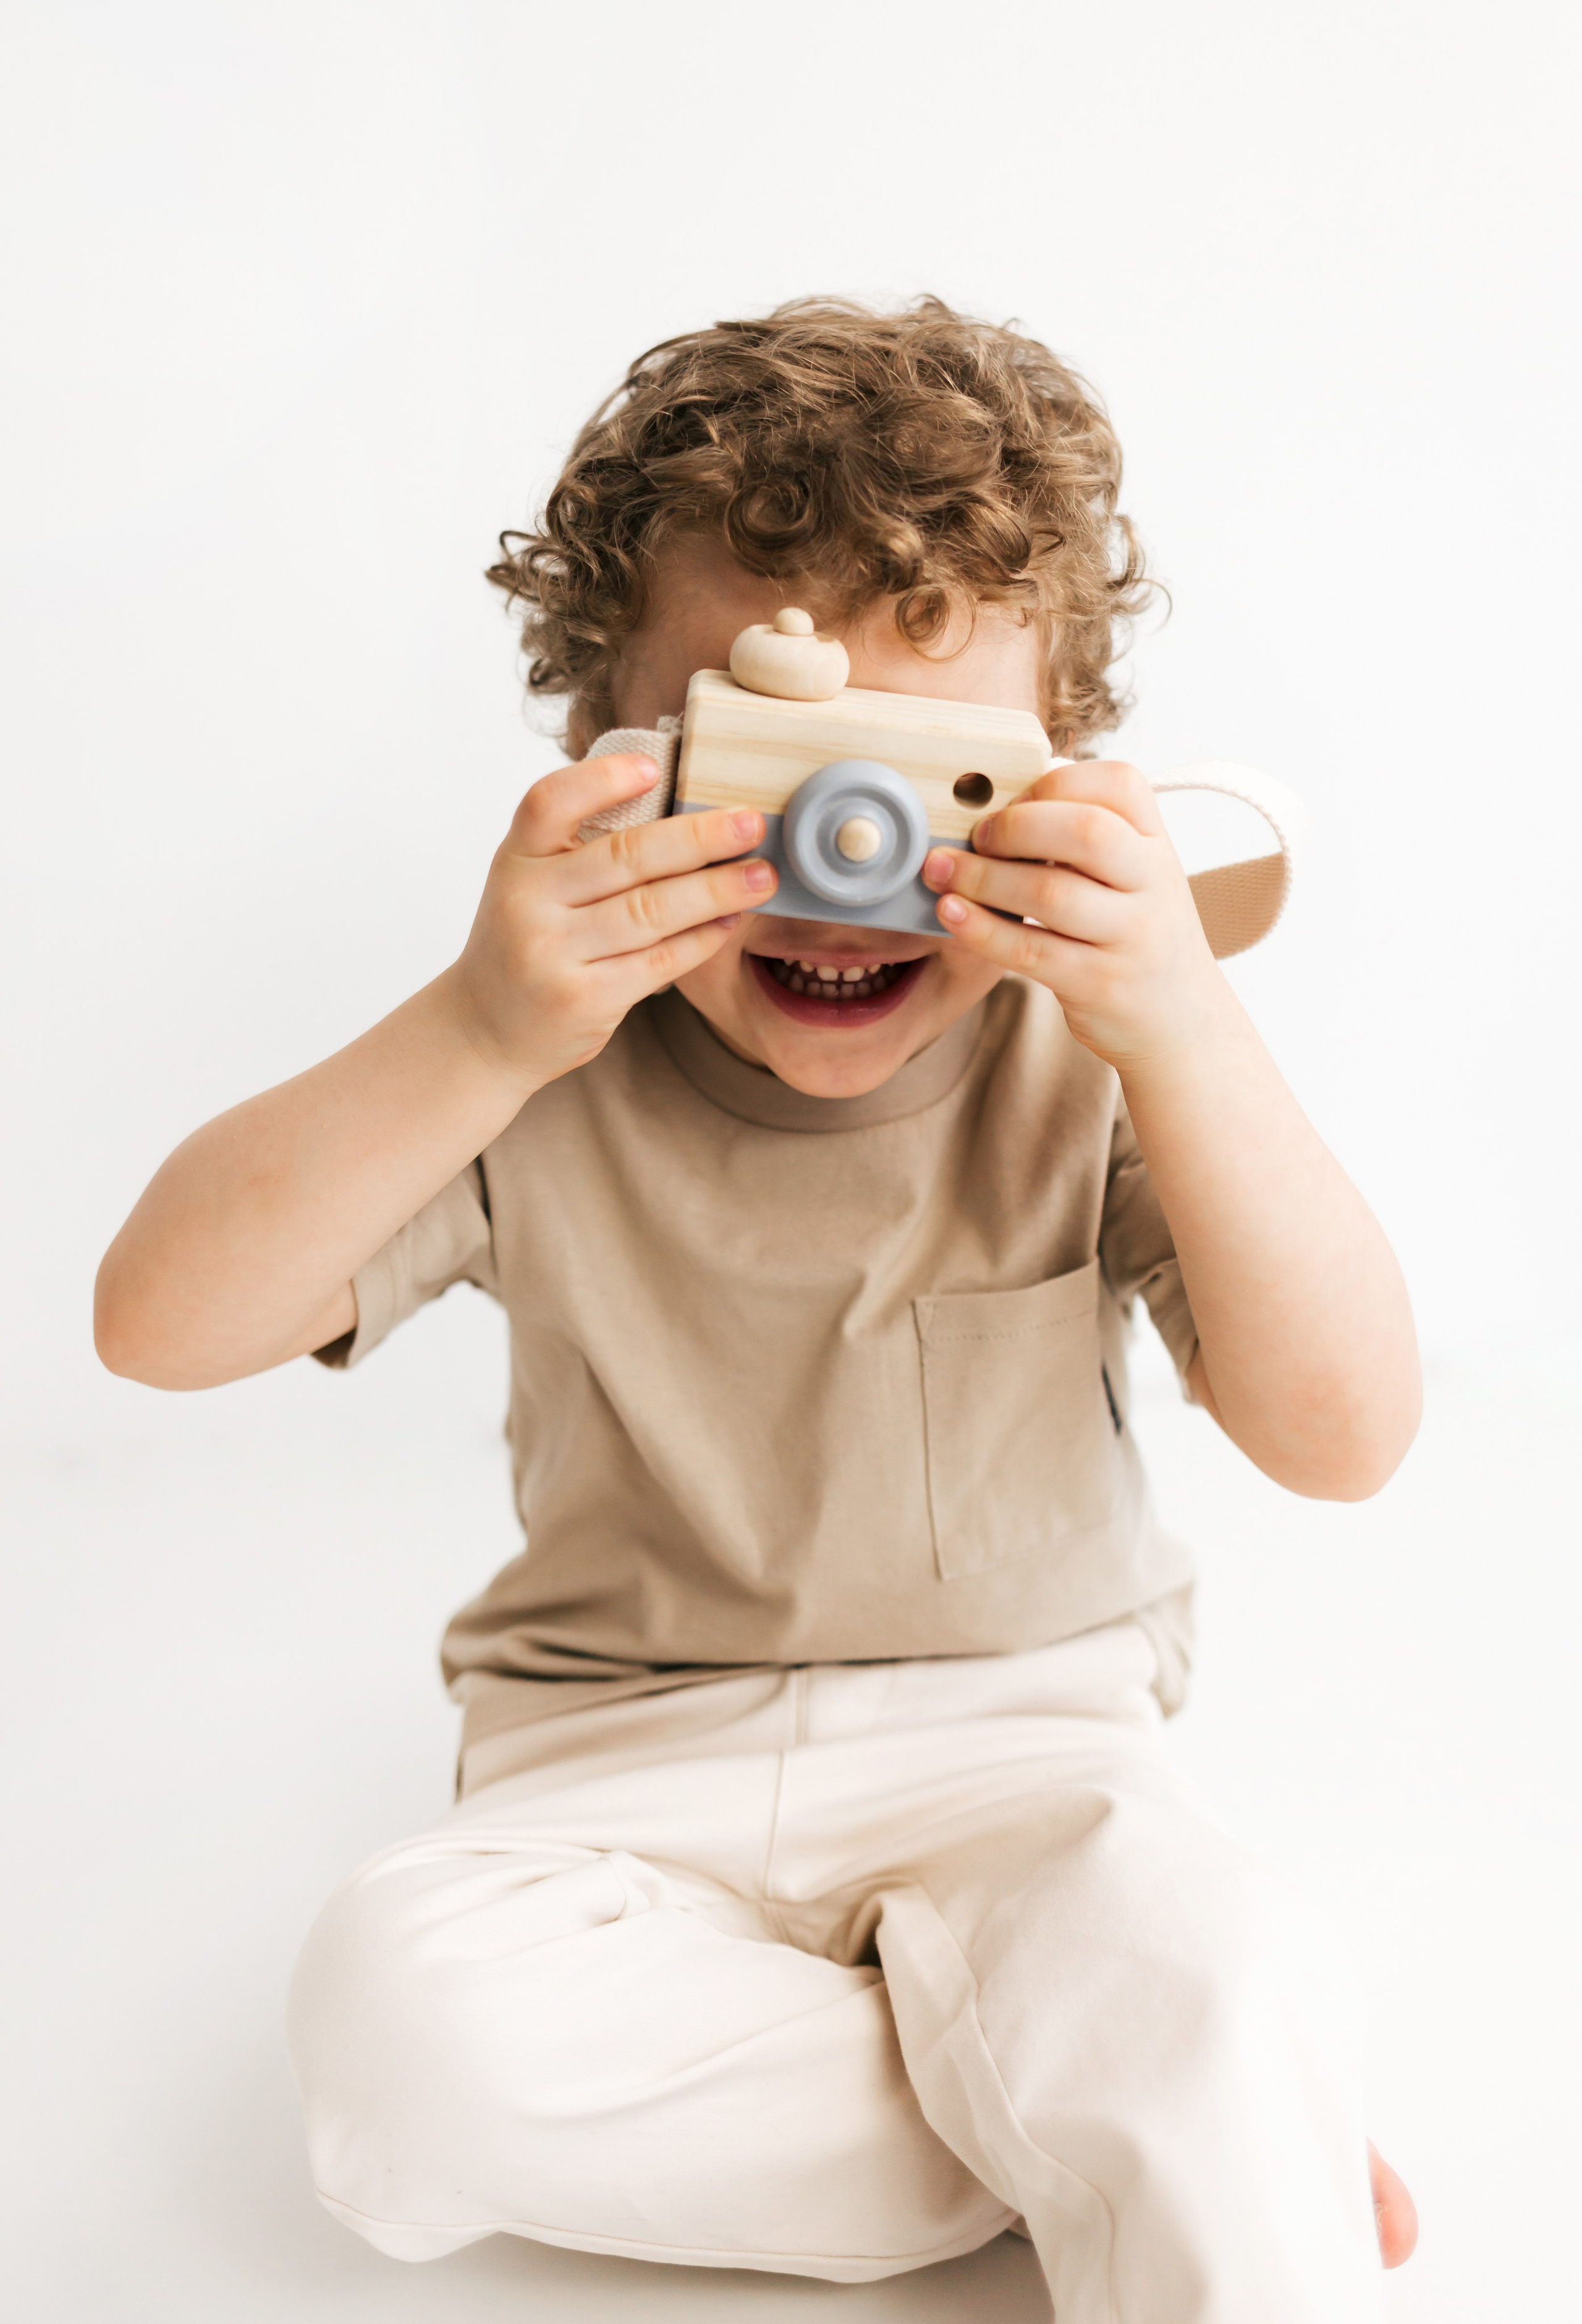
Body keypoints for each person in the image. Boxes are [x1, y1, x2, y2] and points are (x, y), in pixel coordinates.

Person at [95, 298, 1421, 2318]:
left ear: (1068, 786)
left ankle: (1171, 2064)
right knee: (395, 2038)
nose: (846, 865)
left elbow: (1351, 1433)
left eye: (932, 785)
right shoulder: (536, 1056)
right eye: (771, 770)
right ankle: (1152, 2117)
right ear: (605, 768)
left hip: (1028, 1745)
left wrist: (1185, 1019)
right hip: (616, 1766)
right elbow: (158, 1321)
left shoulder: (1094, 1059)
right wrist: (473, 1022)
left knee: (1177, 1939)